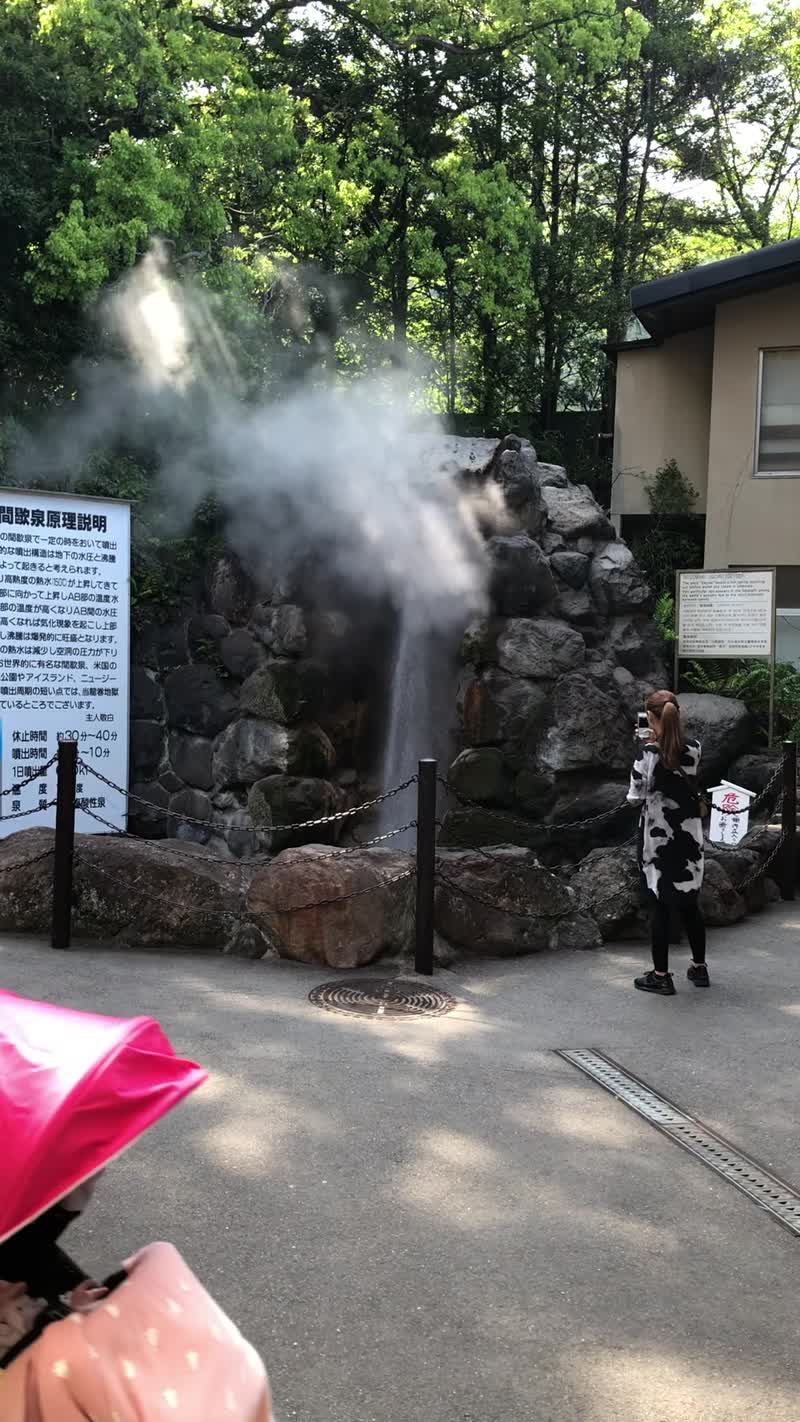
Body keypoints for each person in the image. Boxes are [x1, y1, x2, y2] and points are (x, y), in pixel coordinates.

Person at [627, 689, 709, 995]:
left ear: (650, 717)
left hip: (657, 839)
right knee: (689, 903)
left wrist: (643, 746)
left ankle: (660, 976)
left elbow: (635, 796)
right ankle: (699, 968)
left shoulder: (648, 753)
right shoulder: (695, 748)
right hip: (689, 837)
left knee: (660, 905)